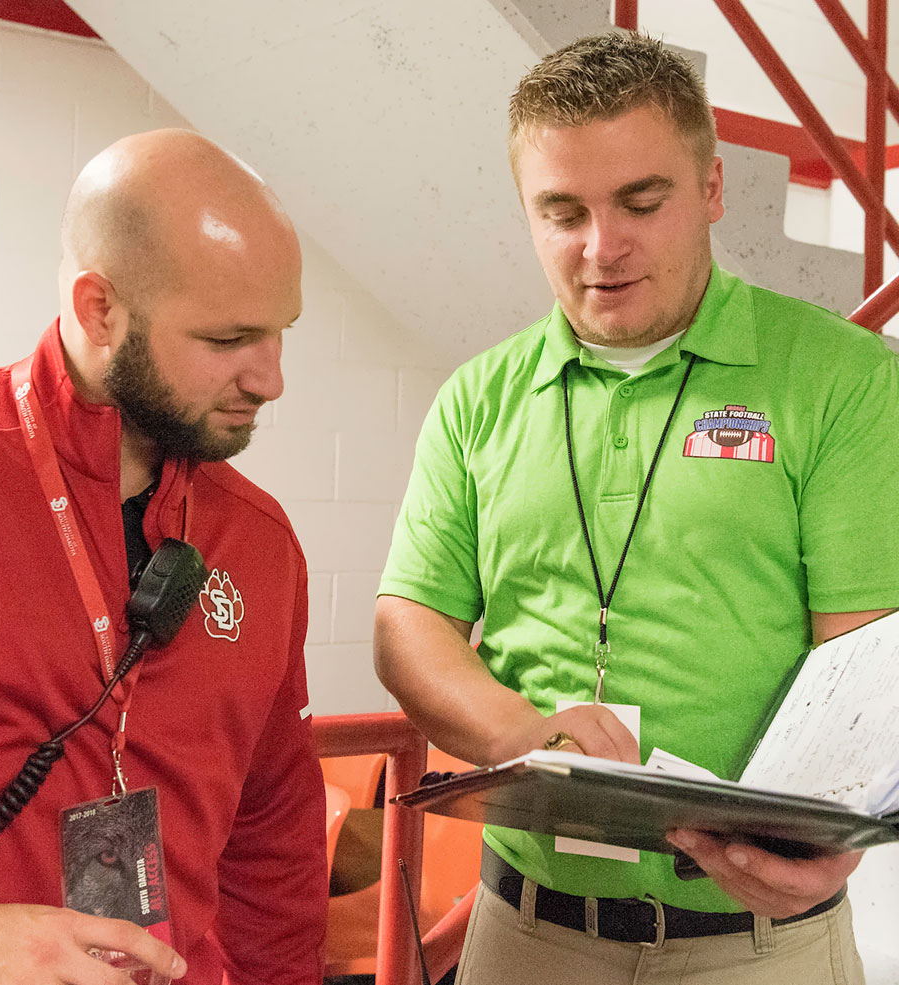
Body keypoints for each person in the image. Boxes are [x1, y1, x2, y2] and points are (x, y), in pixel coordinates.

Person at [374, 33, 899, 985]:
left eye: (641, 203)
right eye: (562, 211)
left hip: (758, 944)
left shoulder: (846, 380)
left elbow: (865, 663)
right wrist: (513, 732)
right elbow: (409, 622)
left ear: (711, 190)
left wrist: (835, 831)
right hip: (527, 933)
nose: (601, 247)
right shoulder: (477, 399)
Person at [0, 129, 326, 984]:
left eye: (280, 332)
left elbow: (273, 850)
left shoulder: (261, 544)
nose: (270, 378)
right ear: (98, 308)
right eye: (229, 340)